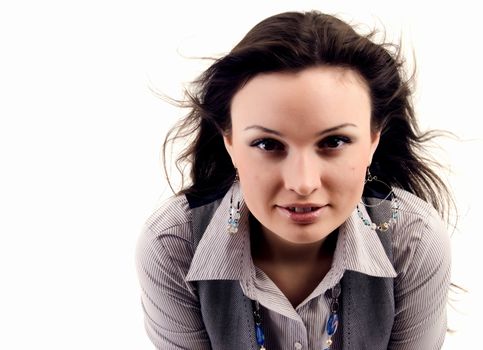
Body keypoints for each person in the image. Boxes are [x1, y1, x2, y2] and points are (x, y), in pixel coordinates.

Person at [136, 10, 453, 350]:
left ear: (374, 139)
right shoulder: (175, 244)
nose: (302, 183)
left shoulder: (413, 240)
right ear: (229, 141)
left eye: (334, 142)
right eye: (267, 144)